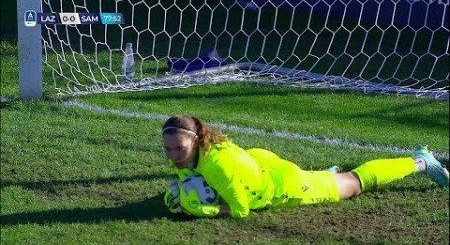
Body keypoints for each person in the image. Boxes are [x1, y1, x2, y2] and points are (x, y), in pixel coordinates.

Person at [161, 115, 449, 218]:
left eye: (179, 149)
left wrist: (207, 210)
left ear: (196, 141)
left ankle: (421, 161)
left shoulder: (218, 168)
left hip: (284, 186)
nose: (173, 155)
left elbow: (242, 210)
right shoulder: (202, 147)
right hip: (260, 163)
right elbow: (189, 174)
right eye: (168, 148)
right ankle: (324, 176)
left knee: (354, 182)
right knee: (327, 178)